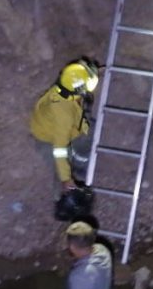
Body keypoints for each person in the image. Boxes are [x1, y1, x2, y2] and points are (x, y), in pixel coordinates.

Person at [29, 58, 100, 196]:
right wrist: (66, 178)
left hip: (49, 124)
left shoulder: (65, 85)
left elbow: (76, 72)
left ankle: (79, 161)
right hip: (48, 138)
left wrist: (91, 71)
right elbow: (60, 148)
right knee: (61, 166)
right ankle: (64, 193)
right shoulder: (64, 114)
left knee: (89, 130)